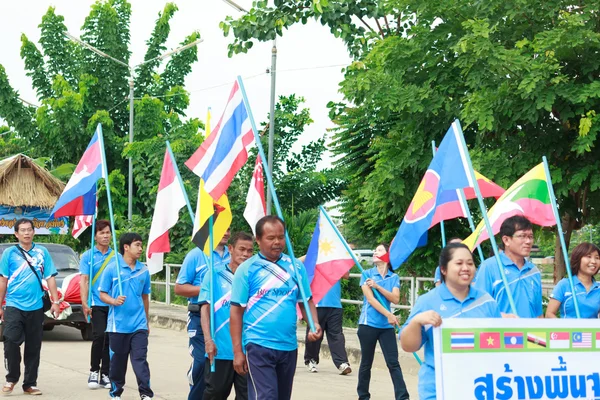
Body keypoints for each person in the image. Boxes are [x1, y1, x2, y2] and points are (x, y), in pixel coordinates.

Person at [230, 216, 322, 400]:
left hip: (288, 346)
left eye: (281, 237)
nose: (277, 242)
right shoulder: (247, 269)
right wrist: (238, 351)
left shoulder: (295, 266)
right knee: (266, 397)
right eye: (271, 238)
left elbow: (306, 301)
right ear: (258, 240)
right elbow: (236, 312)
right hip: (258, 345)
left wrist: (314, 325)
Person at [400, 242, 502, 400]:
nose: (466, 268)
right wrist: (416, 322)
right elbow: (408, 346)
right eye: (459, 263)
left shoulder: (487, 301)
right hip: (438, 389)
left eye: (470, 263)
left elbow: (500, 346)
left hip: (479, 387)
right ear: (443, 269)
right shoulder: (427, 301)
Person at [0, 218, 62, 395]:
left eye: (29, 229)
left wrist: (56, 302)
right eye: (23, 230)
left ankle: (30, 383)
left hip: (35, 307)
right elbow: (3, 280)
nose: (27, 233)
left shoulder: (42, 252)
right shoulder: (9, 253)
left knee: (33, 346)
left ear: (34, 232)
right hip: (13, 305)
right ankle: (11, 378)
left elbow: (50, 277)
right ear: (16, 234)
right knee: (11, 341)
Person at [175, 229, 231, 400]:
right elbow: (179, 287)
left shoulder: (234, 253)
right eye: (223, 227)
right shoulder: (197, 255)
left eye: (229, 228)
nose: (226, 232)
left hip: (226, 319)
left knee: (220, 368)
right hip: (200, 316)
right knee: (202, 362)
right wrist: (207, 289)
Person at [200, 232, 254, 400]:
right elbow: (204, 309)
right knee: (215, 394)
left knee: (247, 396)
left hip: (248, 350)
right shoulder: (214, 275)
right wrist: (208, 340)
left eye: (250, 251)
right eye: (242, 249)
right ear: (230, 249)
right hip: (220, 350)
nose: (245, 254)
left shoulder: (255, 277)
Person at [99, 233, 152, 400]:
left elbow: (145, 297)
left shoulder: (143, 270)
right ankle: (115, 392)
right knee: (118, 363)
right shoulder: (112, 268)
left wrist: (146, 320)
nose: (140, 248)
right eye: (137, 245)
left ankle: (145, 393)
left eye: (141, 245)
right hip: (118, 325)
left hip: (139, 325)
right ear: (126, 247)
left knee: (140, 360)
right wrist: (113, 301)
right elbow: (102, 294)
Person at [357, 243, 409, 400]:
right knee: (366, 363)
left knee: (393, 363)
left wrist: (378, 286)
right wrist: (388, 314)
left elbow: (395, 298)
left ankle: (402, 396)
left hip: (386, 326)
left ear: (387, 256)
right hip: (368, 324)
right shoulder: (366, 274)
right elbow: (371, 300)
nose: (375, 252)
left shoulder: (394, 277)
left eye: (379, 250)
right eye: (374, 250)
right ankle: (363, 396)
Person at [473, 215, 543, 318]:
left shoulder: (534, 271)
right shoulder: (489, 267)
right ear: (506, 240)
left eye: (530, 237)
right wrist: (502, 316)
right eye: (522, 236)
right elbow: (478, 308)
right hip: (500, 333)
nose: (528, 241)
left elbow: (538, 314)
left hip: (530, 333)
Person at [79, 219, 115, 389]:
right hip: (96, 303)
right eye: (102, 233)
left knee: (110, 339)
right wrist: (84, 302)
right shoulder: (88, 256)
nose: (106, 236)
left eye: (108, 232)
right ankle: (94, 371)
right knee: (99, 336)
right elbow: (84, 280)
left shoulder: (116, 256)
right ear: (95, 236)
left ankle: (106, 374)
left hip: (113, 304)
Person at [304, 271, 352, 375]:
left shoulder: (335, 259)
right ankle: (311, 360)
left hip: (335, 304)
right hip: (316, 303)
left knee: (336, 335)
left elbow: (346, 275)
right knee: (315, 332)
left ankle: (342, 363)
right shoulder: (314, 258)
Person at [546, 242, 600, 318]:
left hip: (592, 330)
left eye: (597, 258)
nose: (594, 261)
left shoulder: (598, 289)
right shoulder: (564, 284)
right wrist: (564, 328)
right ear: (578, 259)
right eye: (589, 256)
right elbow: (549, 314)